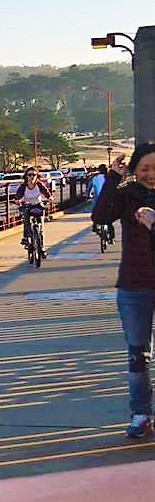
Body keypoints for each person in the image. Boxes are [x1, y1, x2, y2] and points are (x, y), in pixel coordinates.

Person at [91, 143, 155, 438]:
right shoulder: (127, 193)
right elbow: (101, 217)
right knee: (137, 354)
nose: (151, 174)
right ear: (134, 169)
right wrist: (114, 178)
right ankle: (141, 413)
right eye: (144, 168)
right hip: (134, 284)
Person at [14, 167, 52, 253]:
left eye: (34, 175)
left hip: (37, 205)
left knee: (40, 227)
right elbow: (18, 196)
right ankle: (26, 238)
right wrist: (18, 201)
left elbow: (47, 193)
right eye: (30, 175)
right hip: (27, 205)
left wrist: (50, 198)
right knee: (26, 220)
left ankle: (41, 246)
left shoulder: (39, 184)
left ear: (37, 176)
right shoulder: (23, 186)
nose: (32, 177)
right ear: (26, 176)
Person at [89, 163, 115, 242]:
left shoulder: (95, 178)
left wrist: (88, 196)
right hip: (108, 202)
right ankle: (111, 238)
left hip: (97, 202)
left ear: (99, 171)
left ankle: (95, 227)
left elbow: (88, 189)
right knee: (109, 220)